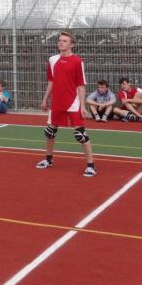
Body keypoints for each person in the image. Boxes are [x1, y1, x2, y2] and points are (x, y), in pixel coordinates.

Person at [36, 31, 96, 177]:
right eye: (59, 40)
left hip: (73, 102)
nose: (61, 43)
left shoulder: (77, 61)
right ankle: (48, 160)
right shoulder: (52, 60)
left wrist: (82, 106)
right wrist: (45, 99)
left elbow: (81, 85)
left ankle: (91, 166)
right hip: (56, 102)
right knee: (49, 132)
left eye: (64, 41)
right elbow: (51, 82)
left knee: (80, 134)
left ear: (72, 44)